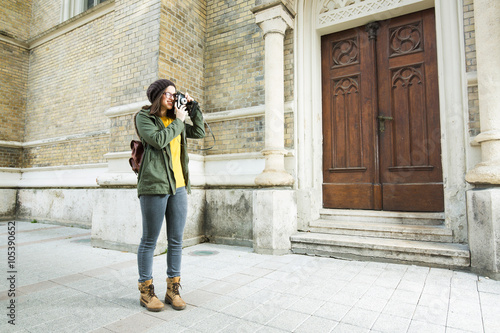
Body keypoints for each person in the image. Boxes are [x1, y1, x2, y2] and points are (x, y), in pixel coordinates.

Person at [134, 79, 205, 312]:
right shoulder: (144, 118)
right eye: (167, 93)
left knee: (176, 240)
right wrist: (179, 120)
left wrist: (194, 109)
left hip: (179, 187)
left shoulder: (178, 118)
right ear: (157, 96)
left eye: (175, 94)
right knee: (149, 240)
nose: (172, 97)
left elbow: (199, 131)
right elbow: (158, 140)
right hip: (154, 186)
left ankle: (172, 290)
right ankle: (146, 292)